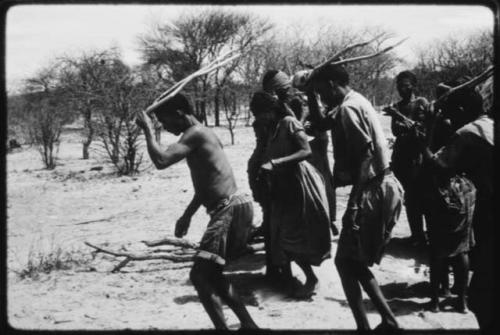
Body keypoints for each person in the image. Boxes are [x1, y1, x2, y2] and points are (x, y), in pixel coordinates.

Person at [136, 94, 258, 330]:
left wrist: (148, 130)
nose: (165, 126)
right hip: (233, 207)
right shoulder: (204, 133)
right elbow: (207, 183)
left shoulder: (195, 134)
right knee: (212, 274)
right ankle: (248, 325)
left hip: (229, 209)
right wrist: (188, 215)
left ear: (180, 113)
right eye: (159, 122)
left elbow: (161, 161)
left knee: (200, 276)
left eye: (165, 120)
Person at [308, 64, 404, 332]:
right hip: (379, 184)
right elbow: (319, 123)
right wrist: (309, 95)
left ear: (331, 85)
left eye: (320, 92)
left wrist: (355, 203)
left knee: (344, 261)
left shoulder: (349, 109)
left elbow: (364, 155)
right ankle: (386, 320)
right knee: (353, 261)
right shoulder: (353, 101)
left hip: (372, 187)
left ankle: (369, 324)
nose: (320, 98)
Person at [417, 81, 493, 330]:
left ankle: (439, 301)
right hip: (473, 193)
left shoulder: (466, 132)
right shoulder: (489, 125)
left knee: (441, 245)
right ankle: (460, 300)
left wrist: (425, 133)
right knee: (463, 247)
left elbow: (436, 163)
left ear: (461, 110)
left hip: (456, 193)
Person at [257, 87, 331, 299]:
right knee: (280, 237)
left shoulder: (289, 123)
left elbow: (305, 151)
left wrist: (276, 163)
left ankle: (310, 277)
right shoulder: (271, 130)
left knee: (294, 238)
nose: (258, 119)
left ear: (270, 111)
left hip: (299, 186)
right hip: (282, 188)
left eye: (260, 114)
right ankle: (288, 279)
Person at [264, 70, 338, 234]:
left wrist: (301, 124)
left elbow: (305, 122)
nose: (289, 90)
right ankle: (327, 218)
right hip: (313, 139)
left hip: (312, 142)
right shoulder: (302, 98)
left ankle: (324, 218)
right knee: (322, 177)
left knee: (317, 178)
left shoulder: (302, 99)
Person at [385, 71, 430, 247]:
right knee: (409, 199)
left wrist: (399, 118)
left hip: (416, 157)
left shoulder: (421, 103)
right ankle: (416, 235)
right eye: (399, 85)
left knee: (419, 197)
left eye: (405, 85)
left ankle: (424, 236)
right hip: (401, 157)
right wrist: (402, 123)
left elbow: (419, 130)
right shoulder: (397, 105)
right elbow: (397, 131)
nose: (402, 89)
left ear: (413, 85)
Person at [247, 91, 279, 278]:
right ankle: (273, 267)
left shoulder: (271, 122)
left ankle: (274, 266)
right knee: (270, 220)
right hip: (262, 171)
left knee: (271, 220)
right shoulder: (264, 124)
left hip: (263, 169)